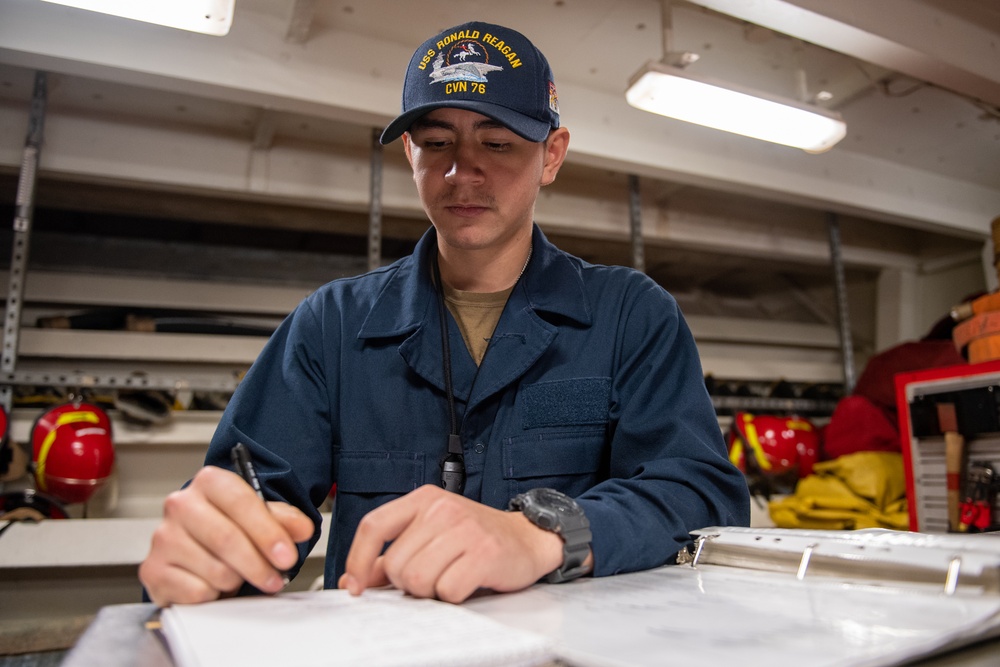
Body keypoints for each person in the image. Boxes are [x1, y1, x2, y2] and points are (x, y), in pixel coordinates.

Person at [139, 20, 750, 608]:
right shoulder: (332, 325)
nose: (462, 171)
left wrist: (544, 535)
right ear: (410, 152)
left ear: (552, 156)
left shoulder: (630, 315)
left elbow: (699, 491)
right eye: (437, 143)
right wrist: (209, 553)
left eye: (498, 142)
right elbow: (249, 502)